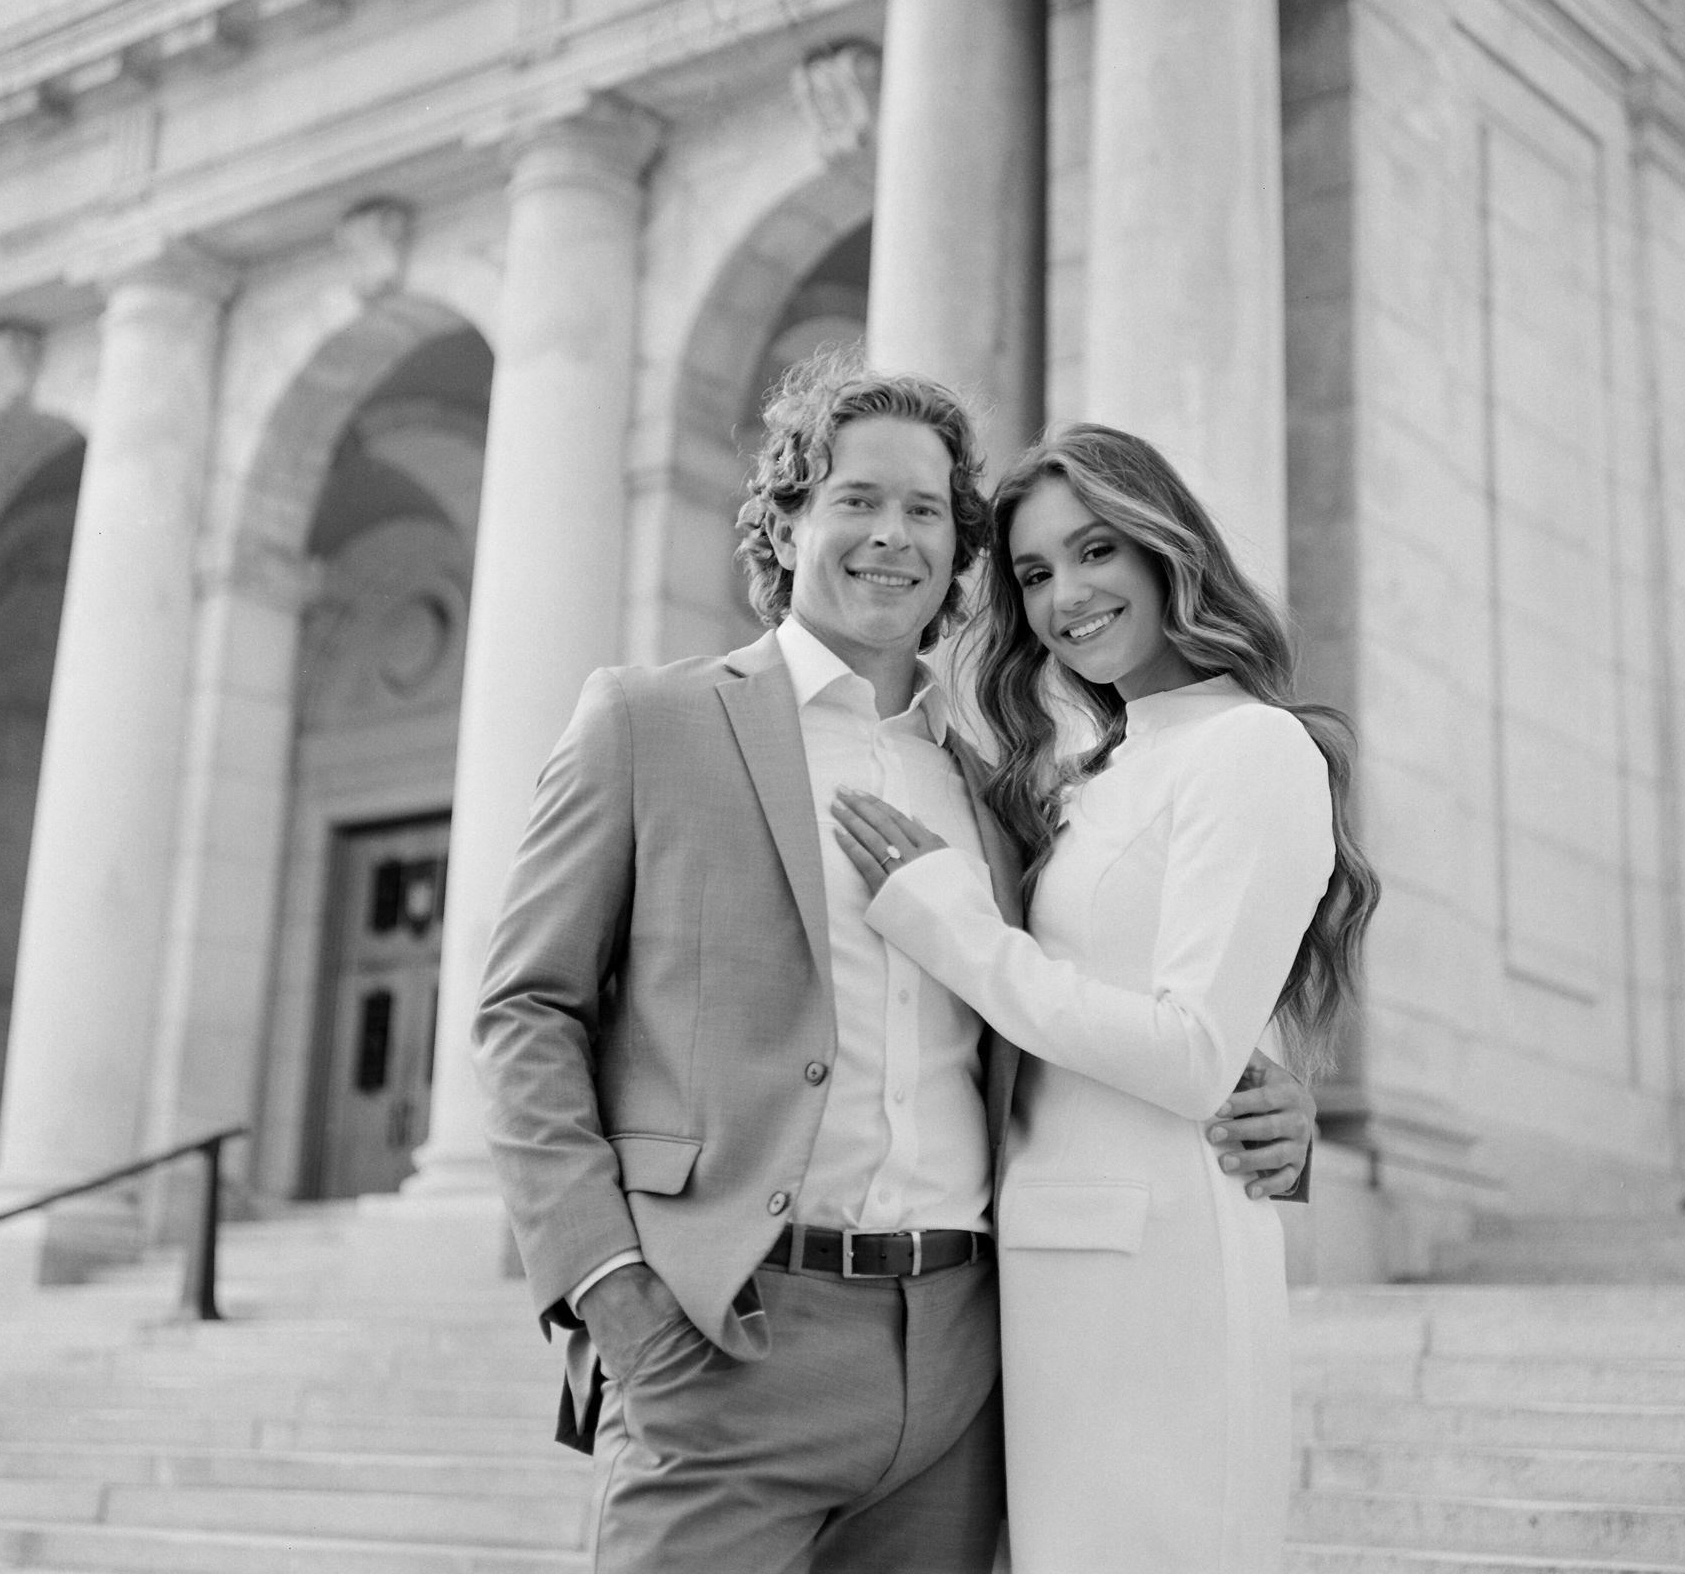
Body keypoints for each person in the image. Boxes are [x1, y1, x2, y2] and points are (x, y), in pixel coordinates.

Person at [472, 364, 1318, 1574]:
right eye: (856, 499)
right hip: (728, 1337)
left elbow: (1087, 985)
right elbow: (527, 1009)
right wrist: (607, 1283)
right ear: (782, 524)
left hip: (965, 1359)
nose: (891, 534)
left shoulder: (1003, 787)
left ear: (958, 553)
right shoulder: (647, 721)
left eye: (925, 509)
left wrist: (1260, 1089)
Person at [831, 423, 1380, 1574]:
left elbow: (1189, 1051)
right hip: (1036, 1278)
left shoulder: (1252, 746)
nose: (1065, 596)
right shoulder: (1085, 776)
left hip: (1157, 1278)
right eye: (1034, 572)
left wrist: (953, 926)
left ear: (1163, 546)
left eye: (1094, 550)